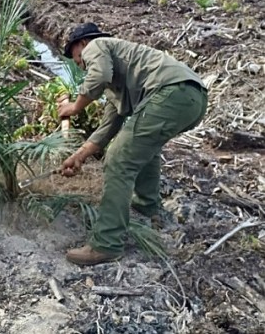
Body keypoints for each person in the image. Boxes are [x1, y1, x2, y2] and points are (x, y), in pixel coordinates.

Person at [57, 23, 208, 265]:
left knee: (118, 159)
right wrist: (79, 155)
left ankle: (106, 244)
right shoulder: (118, 78)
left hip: (172, 93)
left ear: (82, 44)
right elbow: (108, 127)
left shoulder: (96, 46)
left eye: (77, 59)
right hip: (192, 98)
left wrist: (74, 107)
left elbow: (98, 75)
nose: (81, 65)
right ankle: (146, 206)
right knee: (144, 148)